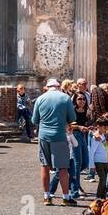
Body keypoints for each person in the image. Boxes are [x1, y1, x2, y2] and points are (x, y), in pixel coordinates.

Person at [32, 78, 76, 206]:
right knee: (62, 167)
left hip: (44, 135)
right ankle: (66, 197)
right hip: (59, 135)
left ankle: (47, 196)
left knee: (44, 166)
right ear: (58, 86)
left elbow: (35, 119)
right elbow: (72, 118)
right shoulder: (65, 98)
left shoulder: (40, 99)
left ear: (47, 87)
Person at [89, 116, 108, 200]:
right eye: (104, 127)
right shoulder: (96, 137)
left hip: (105, 161)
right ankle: (98, 197)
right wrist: (91, 165)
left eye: (106, 127)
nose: (105, 129)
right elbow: (92, 152)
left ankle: (103, 197)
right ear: (98, 126)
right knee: (102, 178)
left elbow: (105, 147)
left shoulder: (102, 135)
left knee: (105, 179)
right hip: (98, 161)